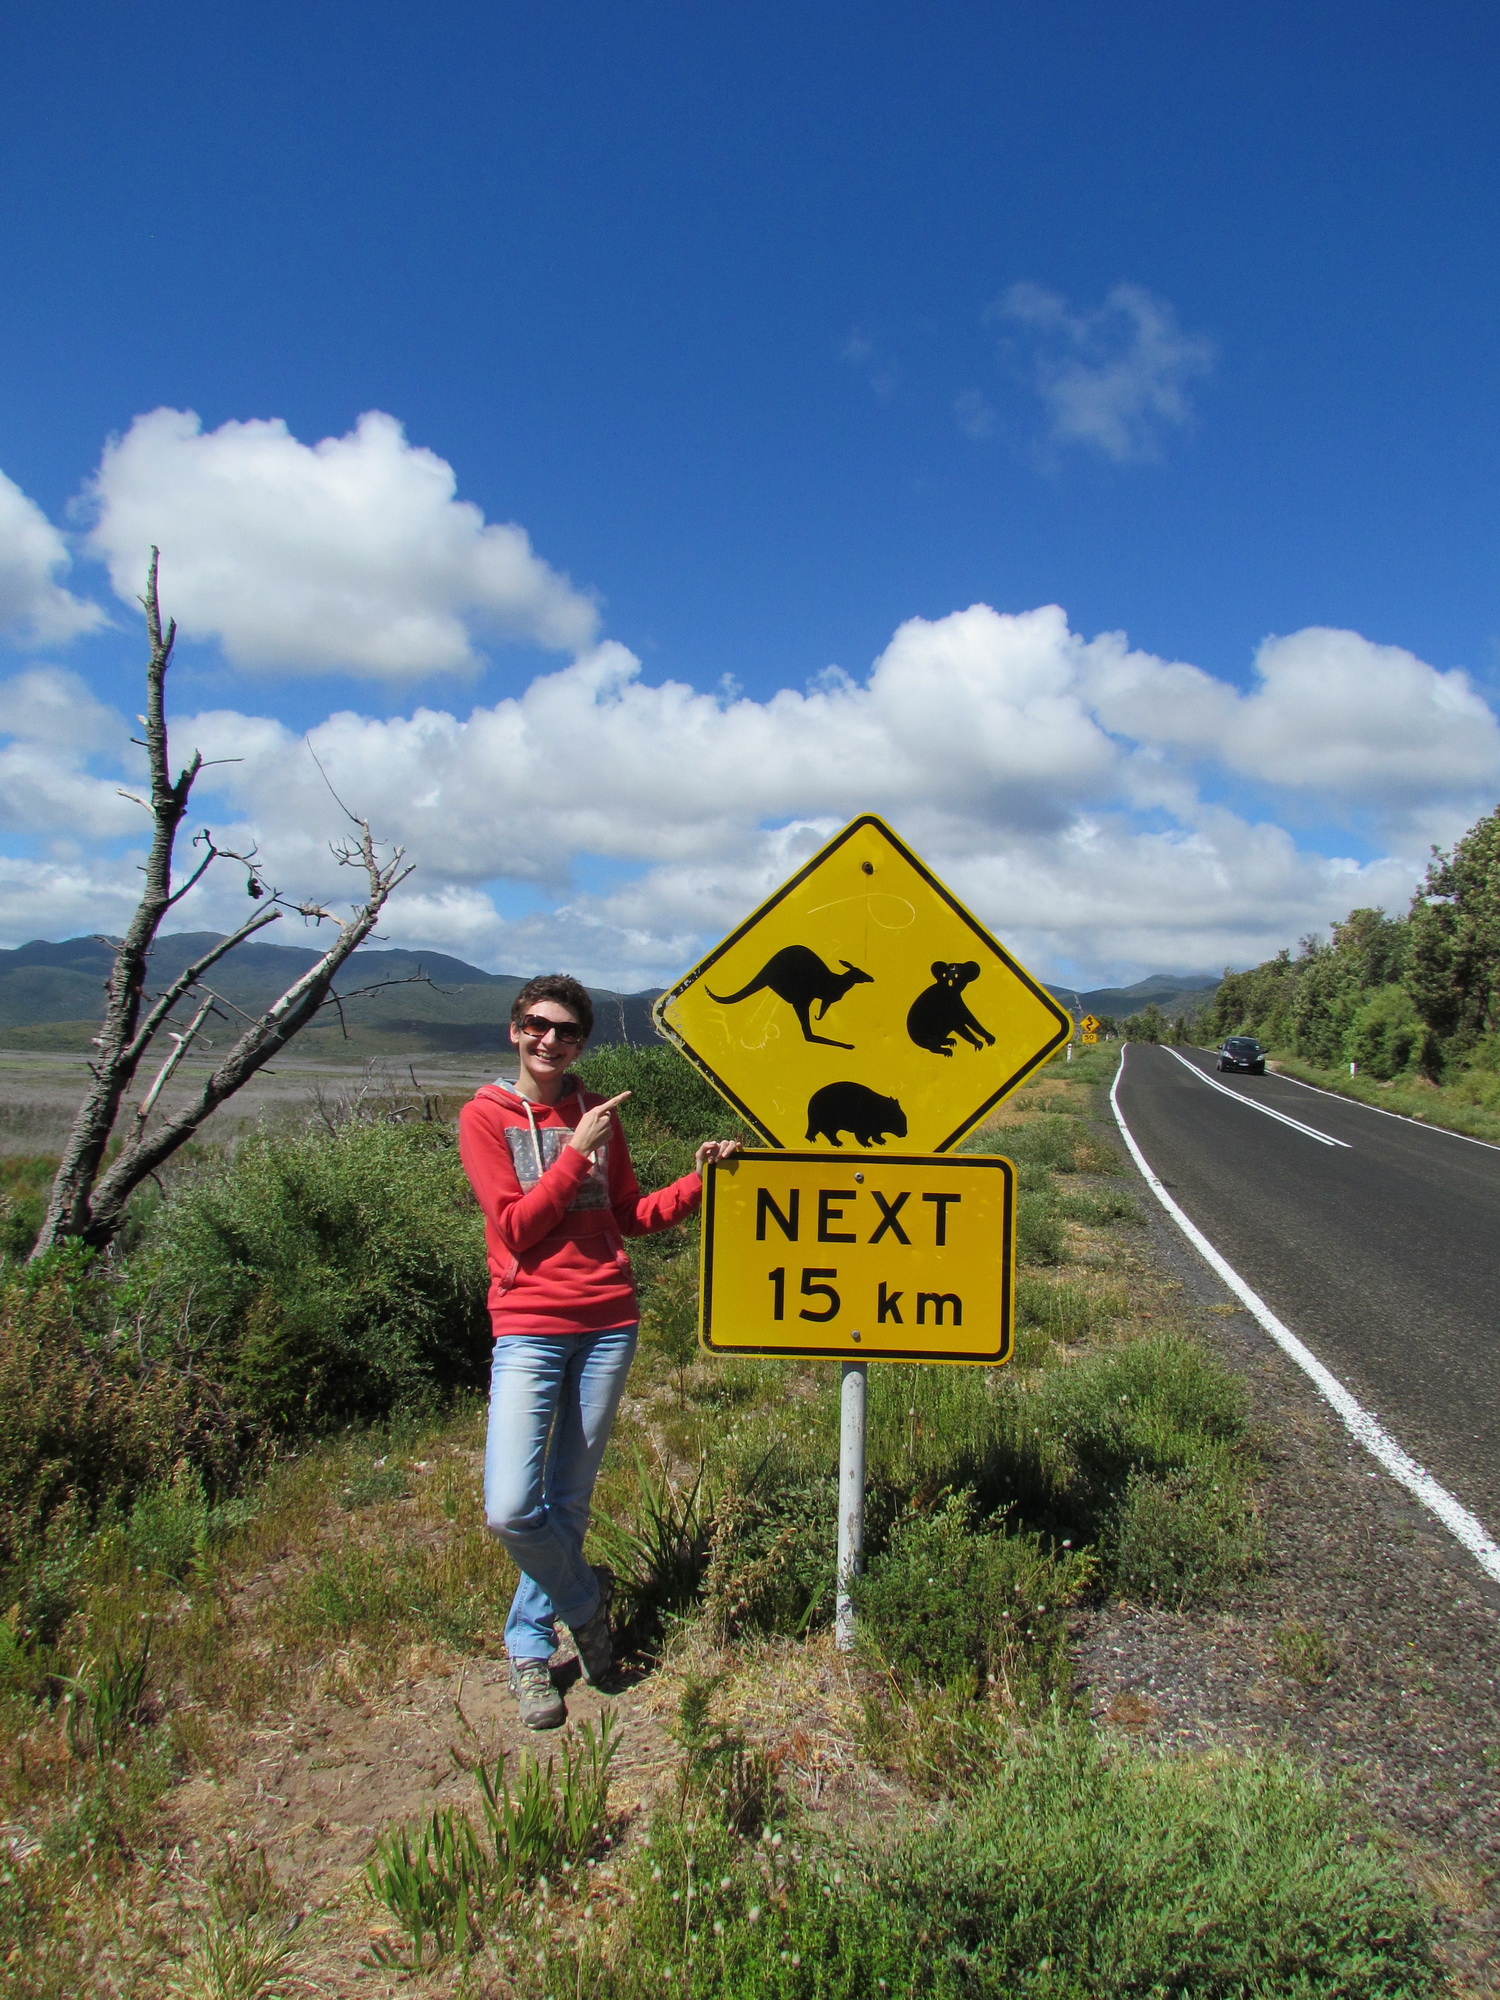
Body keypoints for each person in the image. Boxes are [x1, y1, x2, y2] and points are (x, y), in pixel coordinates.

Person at [457, 973, 739, 1729]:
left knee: (568, 1499)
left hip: (609, 1318)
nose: (551, 1041)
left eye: (568, 1032)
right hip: (528, 1325)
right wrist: (572, 1154)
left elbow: (627, 1216)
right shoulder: (484, 1118)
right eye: (538, 1026)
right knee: (513, 1508)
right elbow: (515, 1227)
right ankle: (587, 1602)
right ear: (514, 1028)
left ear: (582, 1041)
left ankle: (527, 1647)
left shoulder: (594, 1112)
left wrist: (699, 1182)